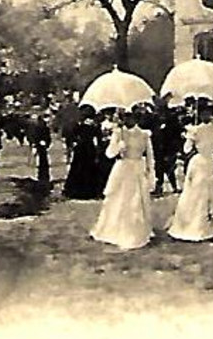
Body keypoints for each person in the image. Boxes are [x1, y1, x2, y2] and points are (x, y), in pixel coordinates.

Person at [90, 108, 155, 250]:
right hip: (123, 168)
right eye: (125, 117)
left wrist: (150, 174)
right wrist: (118, 146)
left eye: (131, 117)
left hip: (137, 168)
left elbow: (150, 156)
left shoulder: (144, 134)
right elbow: (109, 154)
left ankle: (137, 230)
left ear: (136, 119)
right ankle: (116, 228)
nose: (128, 120)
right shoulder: (119, 133)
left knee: (136, 200)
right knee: (120, 199)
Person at [168, 98, 213, 241]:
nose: (205, 116)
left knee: (210, 193)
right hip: (198, 163)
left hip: (209, 162)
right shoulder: (196, 130)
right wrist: (190, 139)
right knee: (195, 193)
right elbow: (186, 150)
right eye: (203, 113)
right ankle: (190, 225)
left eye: (207, 113)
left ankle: (209, 225)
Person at [63, 105, 106, 200]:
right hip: (88, 147)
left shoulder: (80, 124)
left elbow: (72, 134)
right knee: (87, 168)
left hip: (82, 147)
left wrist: (73, 142)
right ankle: (88, 191)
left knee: (79, 168)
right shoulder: (94, 125)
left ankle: (77, 191)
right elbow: (98, 137)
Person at [151, 97, 183, 197]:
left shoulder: (172, 118)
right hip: (157, 147)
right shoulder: (154, 119)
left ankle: (173, 186)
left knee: (169, 167)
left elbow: (176, 135)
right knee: (158, 168)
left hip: (169, 147)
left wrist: (175, 149)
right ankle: (159, 186)